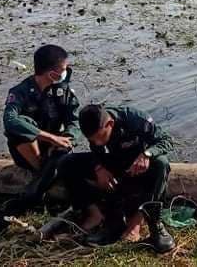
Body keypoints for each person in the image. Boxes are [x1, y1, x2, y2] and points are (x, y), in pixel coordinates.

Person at [0, 44, 82, 239]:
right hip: (28, 153)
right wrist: (48, 136)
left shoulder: (63, 91)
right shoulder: (21, 92)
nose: (66, 72)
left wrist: (64, 139)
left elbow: (74, 121)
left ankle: (8, 213)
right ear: (51, 73)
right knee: (21, 126)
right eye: (63, 68)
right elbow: (10, 120)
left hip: (55, 151)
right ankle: (41, 178)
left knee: (62, 152)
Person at [57, 104, 176, 253]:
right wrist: (98, 167)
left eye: (100, 137)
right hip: (110, 164)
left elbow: (167, 140)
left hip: (136, 167)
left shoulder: (134, 118)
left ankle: (136, 223)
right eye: (92, 140)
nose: (97, 143)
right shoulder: (94, 128)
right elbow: (95, 151)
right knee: (66, 163)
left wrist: (147, 154)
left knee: (161, 164)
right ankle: (95, 214)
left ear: (110, 124)